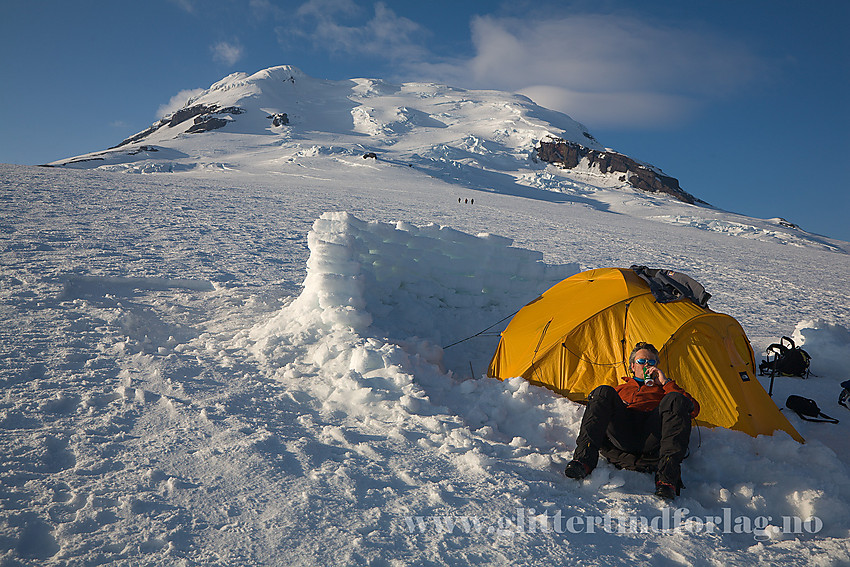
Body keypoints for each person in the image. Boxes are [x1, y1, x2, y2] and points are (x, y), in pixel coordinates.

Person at [563, 342, 700, 500]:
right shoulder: (620, 389)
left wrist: (666, 383)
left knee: (676, 399)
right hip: (623, 431)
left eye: (651, 362)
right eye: (641, 361)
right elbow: (598, 410)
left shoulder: (666, 389)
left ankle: (667, 479)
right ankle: (583, 461)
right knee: (602, 391)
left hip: (652, 434)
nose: (646, 365)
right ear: (633, 367)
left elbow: (693, 408)